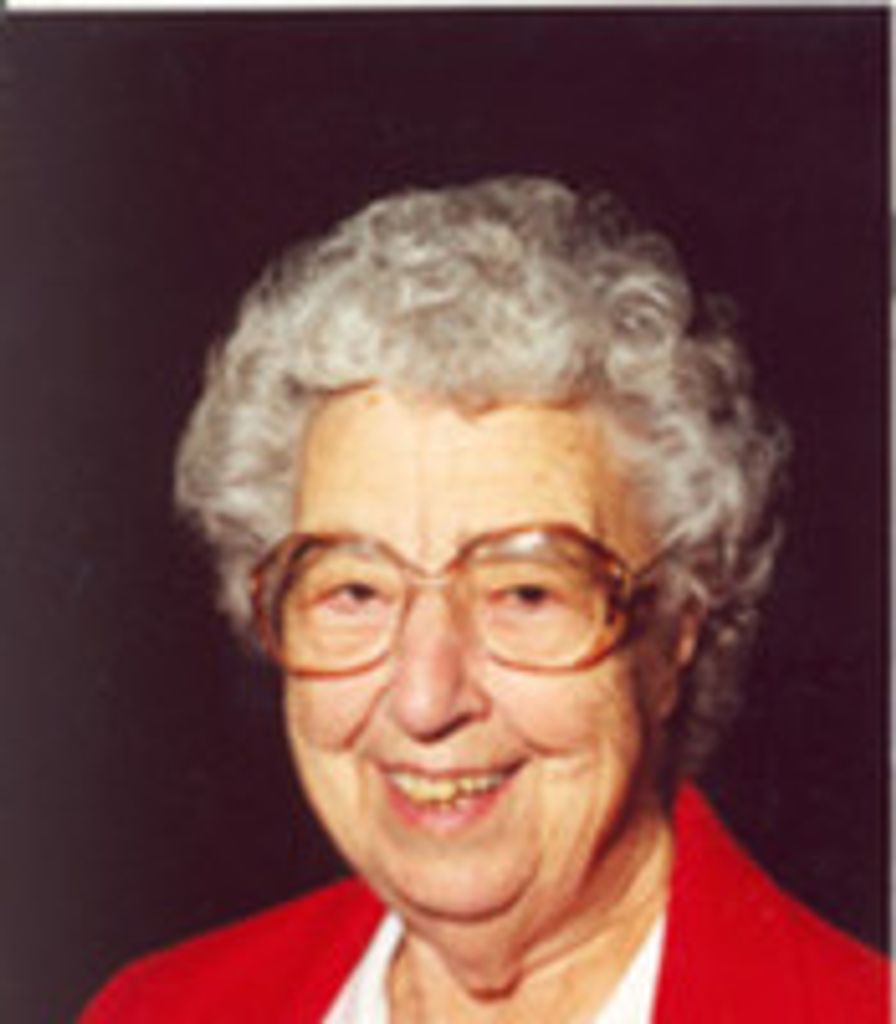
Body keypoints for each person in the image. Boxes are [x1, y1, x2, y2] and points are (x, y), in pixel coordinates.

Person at [81, 177, 887, 1023]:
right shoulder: (155, 1010)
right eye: (355, 589)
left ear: (677, 629)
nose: (425, 700)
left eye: (526, 593)